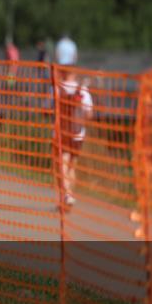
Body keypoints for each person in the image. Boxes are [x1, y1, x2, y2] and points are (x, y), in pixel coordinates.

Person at [57, 71, 93, 207]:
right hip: (78, 134)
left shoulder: (57, 87)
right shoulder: (83, 90)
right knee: (72, 166)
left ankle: (67, 195)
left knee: (63, 164)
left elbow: (47, 108)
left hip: (63, 132)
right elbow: (89, 114)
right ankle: (68, 196)